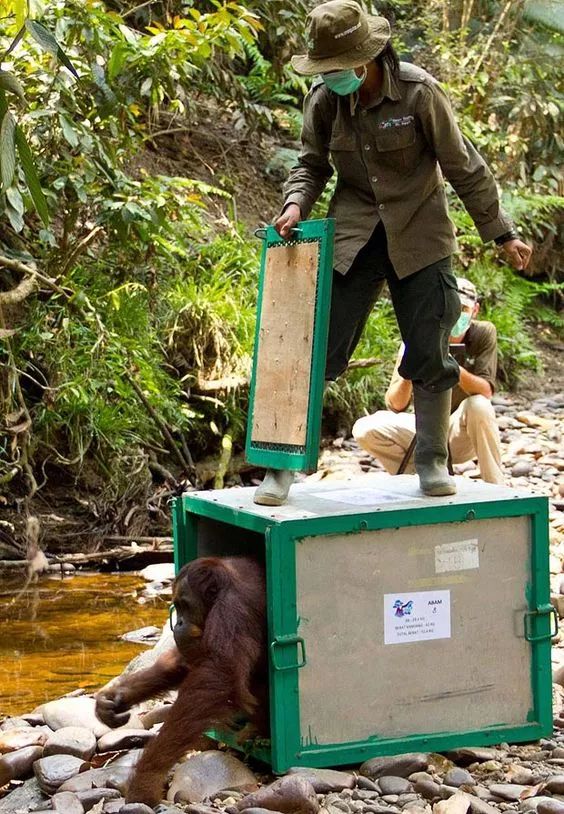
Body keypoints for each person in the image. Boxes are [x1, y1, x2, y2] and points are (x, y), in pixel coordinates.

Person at [253, 0, 532, 506]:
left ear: (367, 58)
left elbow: (464, 165)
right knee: (315, 351)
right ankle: (281, 468)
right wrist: (295, 205)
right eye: (326, 71)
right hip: (354, 235)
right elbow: (311, 165)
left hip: (421, 233)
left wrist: (502, 233)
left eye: (339, 70)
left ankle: (431, 462)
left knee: (430, 348)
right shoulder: (323, 100)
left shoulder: (420, 93)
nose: (333, 79)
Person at [353, 277, 504, 484]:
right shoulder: (418, 336)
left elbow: (486, 391)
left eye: (463, 309)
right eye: (451, 307)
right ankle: (417, 479)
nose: (455, 314)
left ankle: (496, 488)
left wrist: (448, 364)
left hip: (460, 430)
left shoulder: (483, 334)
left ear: (475, 310)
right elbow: (395, 405)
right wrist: (412, 364)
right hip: (424, 428)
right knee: (365, 428)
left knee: (480, 405)